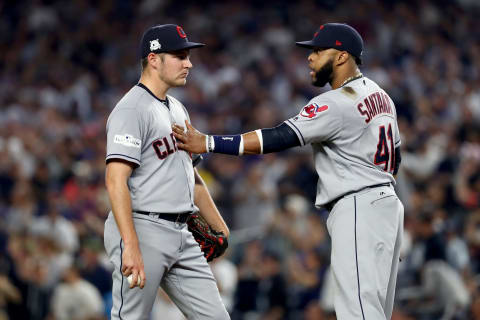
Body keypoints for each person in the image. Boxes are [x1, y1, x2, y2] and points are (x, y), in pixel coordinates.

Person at [173, 23, 404, 320]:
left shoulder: (336, 102)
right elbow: (394, 159)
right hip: (387, 207)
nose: (310, 57)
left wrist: (207, 142)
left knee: (358, 312)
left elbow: (278, 137)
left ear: (343, 57)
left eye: (319, 50)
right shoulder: (382, 96)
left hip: (359, 206)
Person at [104, 24, 230, 320]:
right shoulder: (131, 109)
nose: (189, 63)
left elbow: (192, 175)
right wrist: (130, 246)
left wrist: (220, 226)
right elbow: (115, 181)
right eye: (180, 56)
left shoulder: (177, 108)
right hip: (142, 228)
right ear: (153, 59)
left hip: (181, 232)